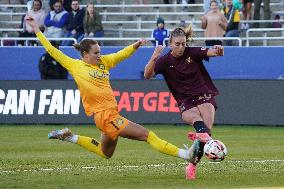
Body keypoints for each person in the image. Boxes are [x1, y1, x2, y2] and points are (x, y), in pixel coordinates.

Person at [25, 15, 198, 174]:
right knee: (147, 135)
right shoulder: (75, 66)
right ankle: (186, 154)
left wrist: (135, 46)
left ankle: (70, 136)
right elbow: (51, 49)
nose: (100, 55)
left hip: (108, 116)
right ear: (85, 55)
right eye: (96, 53)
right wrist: (37, 30)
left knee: (105, 152)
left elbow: (119, 55)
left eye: (100, 51)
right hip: (106, 116)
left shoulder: (103, 62)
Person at [144, 25, 224, 180]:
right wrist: (154, 55)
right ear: (170, 44)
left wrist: (218, 51)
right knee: (197, 122)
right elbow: (147, 74)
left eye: (183, 44)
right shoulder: (164, 61)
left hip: (203, 94)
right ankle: (200, 137)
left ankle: (192, 165)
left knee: (206, 132)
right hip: (185, 100)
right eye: (177, 44)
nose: (181, 47)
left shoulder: (192, 52)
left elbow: (211, 51)